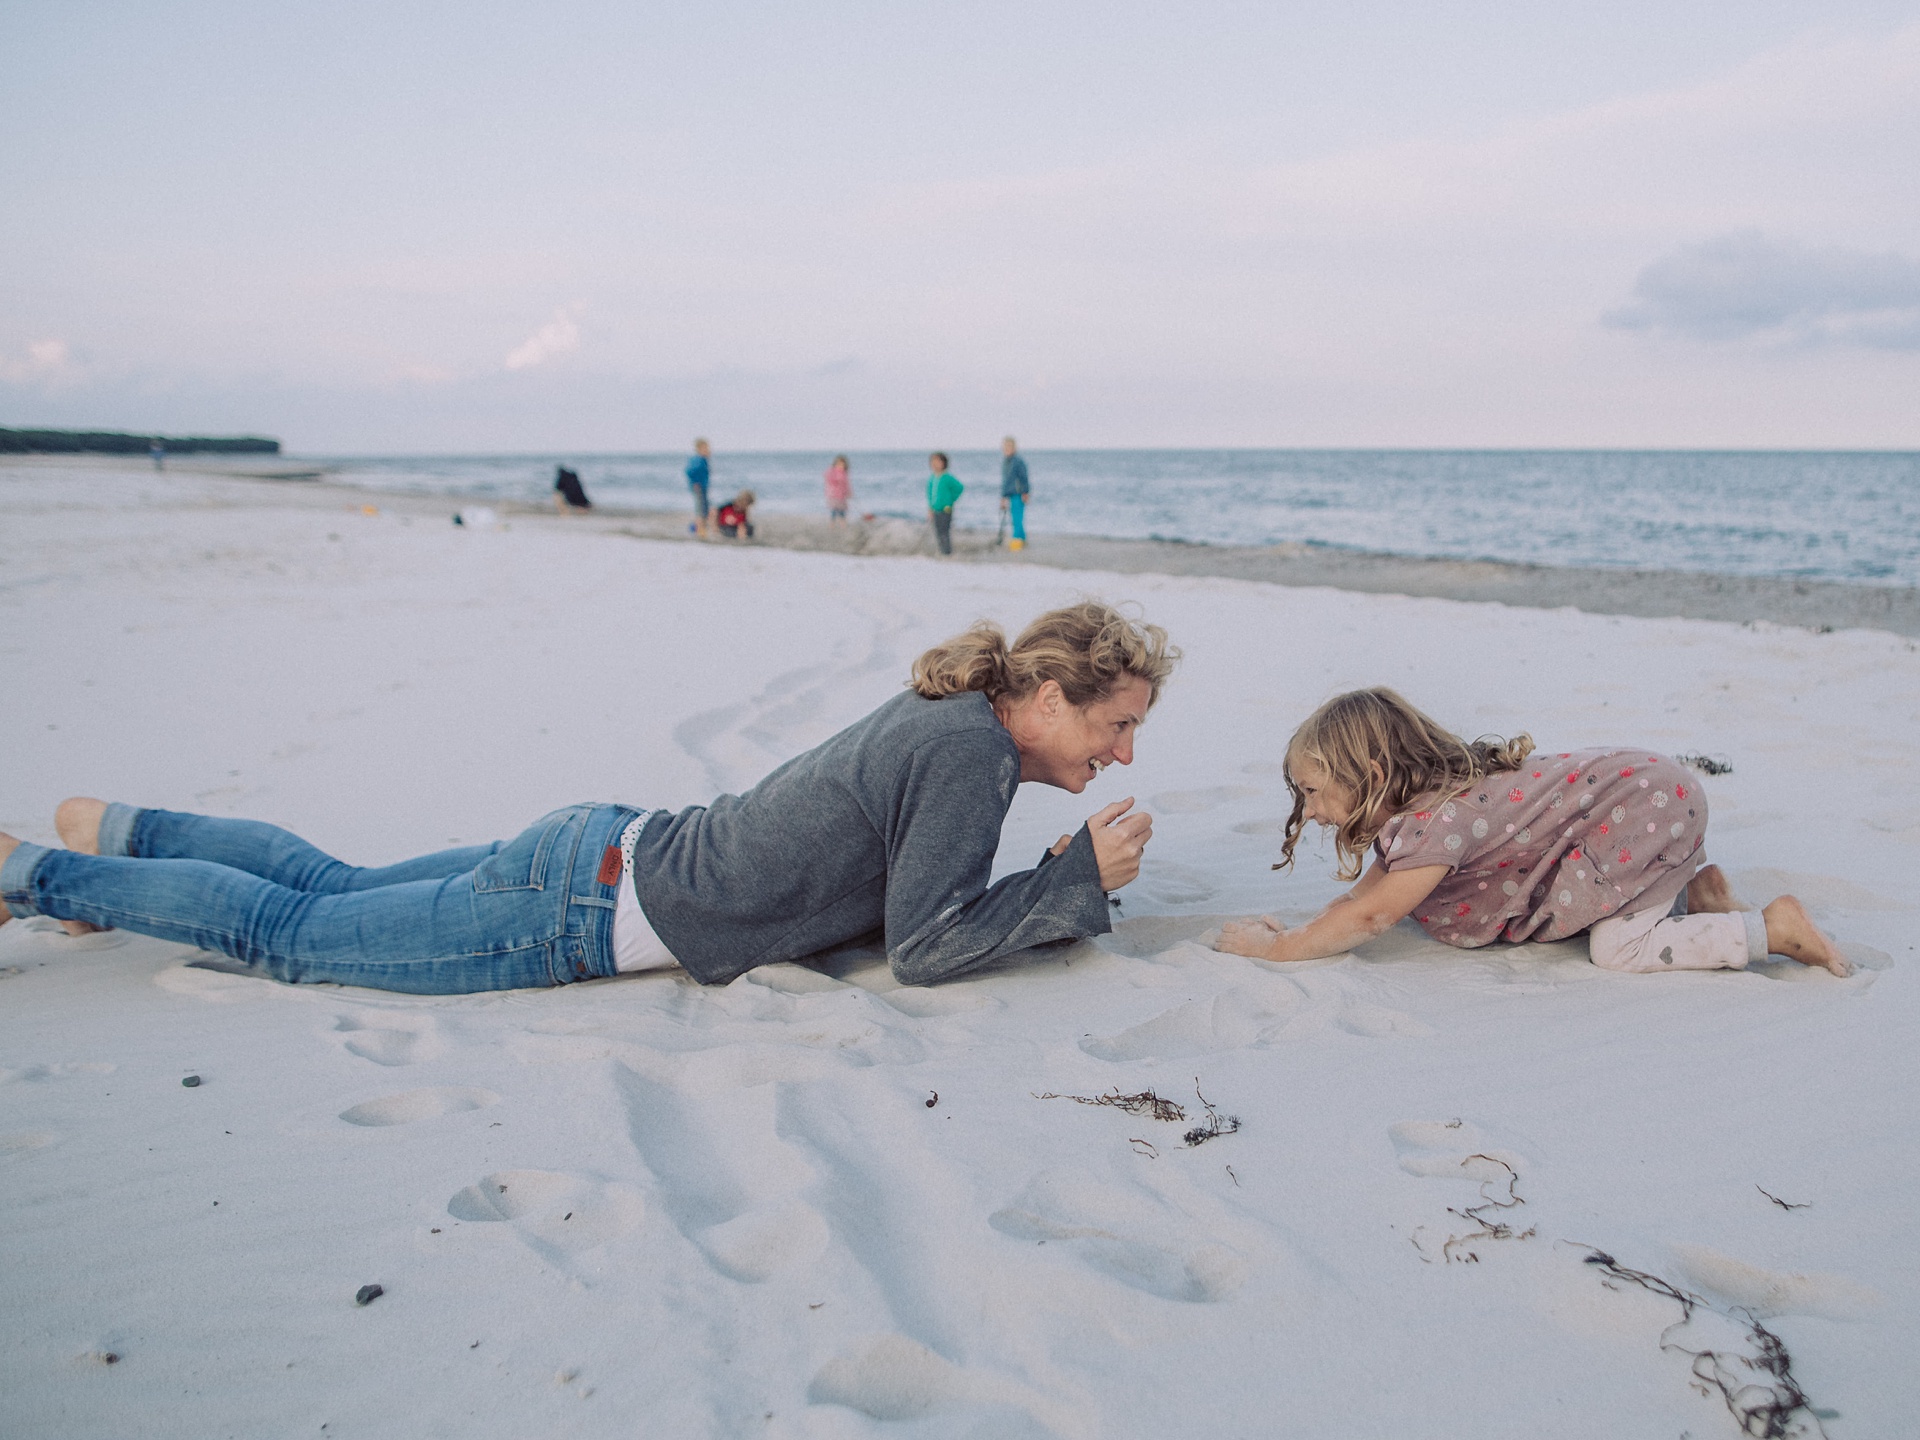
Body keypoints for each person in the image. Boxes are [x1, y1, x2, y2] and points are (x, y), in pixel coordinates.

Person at [2, 602, 1179, 995]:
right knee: (291, 935)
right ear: (1049, 695)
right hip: (580, 911)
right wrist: (1075, 880)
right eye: (1118, 723)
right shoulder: (971, 755)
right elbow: (926, 949)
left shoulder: (957, 724)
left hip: (599, 847)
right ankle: (33, 873)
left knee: (331, 885)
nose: (1123, 752)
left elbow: (907, 899)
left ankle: (120, 836)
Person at [1211, 687, 1849, 976]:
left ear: (1374, 774)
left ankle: (1772, 929)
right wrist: (1300, 929)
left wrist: (1277, 953)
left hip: (1641, 805)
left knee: (1618, 950)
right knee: (1623, 906)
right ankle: (1695, 887)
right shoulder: (1425, 806)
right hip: (1647, 790)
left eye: (1315, 792)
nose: (1311, 811)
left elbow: (1371, 918)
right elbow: (1362, 899)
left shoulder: (1438, 823)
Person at [926, 451, 963, 556]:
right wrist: (930, 508)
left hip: (946, 509)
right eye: (933, 462)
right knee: (938, 532)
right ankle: (942, 551)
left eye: (937, 461)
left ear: (943, 463)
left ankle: (947, 552)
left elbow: (959, 488)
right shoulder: (932, 478)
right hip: (935, 509)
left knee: (944, 532)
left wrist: (951, 500)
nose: (934, 464)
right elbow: (930, 494)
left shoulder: (947, 477)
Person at [1000, 437, 1031, 552]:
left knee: (1017, 518)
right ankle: (1022, 539)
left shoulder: (1017, 461)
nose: (1006, 449)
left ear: (1014, 448)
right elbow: (1006, 481)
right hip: (1011, 494)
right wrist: (1003, 496)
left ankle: (1017, 540)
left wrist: (1025, 492)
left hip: (1018, 493)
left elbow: (1024, 478)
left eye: (1009, 447)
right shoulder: (1006, 461)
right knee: (1015, 517)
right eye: (1005, 447)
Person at [686, 439, 713, 539]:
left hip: (703, 486)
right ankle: (699, 531)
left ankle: (699, 530)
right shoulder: (698, 459)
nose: (708, 450)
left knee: (705, 509)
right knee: (700, 510)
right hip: (699, 487)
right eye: (705, 448)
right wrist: (695, 482)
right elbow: (690, 471)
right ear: (699, 449)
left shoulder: (703, 459)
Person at [824, 455, 852, 525]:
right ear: (836, 464)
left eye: (843, 464)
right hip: (833, 495)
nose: (841, 466)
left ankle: (843, 524)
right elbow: (828, 477)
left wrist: (849, 492)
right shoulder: (832, 471)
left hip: (842, 496)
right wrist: (837, 480)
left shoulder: (844, 473)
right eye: (839, 464)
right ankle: (832, 524)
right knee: (834, 511)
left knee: (842, 511)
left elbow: (846, 484)